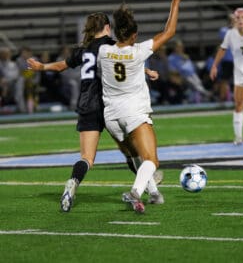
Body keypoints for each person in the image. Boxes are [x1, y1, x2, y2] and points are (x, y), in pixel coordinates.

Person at [27, 12, 162, 213]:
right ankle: (149, 190)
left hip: (85, 105)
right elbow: (122, 62)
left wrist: (41, 67)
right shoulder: (109, 45)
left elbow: (61, 66)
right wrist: (146, 71)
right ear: (108, 27)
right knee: (132, 152)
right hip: (109, 106)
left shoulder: (83, 49)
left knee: (87, 158)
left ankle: (73, 182)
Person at [97, 0, 188, 213]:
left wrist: (143, 70)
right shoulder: (139, 52)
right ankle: (135, 192)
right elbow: (169, 31)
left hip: (111, 116)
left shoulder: (103, 52)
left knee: (136, 156)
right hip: (134, 113)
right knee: (151, 161)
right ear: (135, 35)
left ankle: (154, 193)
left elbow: (118, 63)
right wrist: (175, 1)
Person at [210, 7, 243, 145]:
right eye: (237, 18)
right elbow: (222, 49)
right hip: (240, 75)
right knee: (238, 104)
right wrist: (214, 65)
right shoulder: (230, 34)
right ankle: (238, 137)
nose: (240, 20)